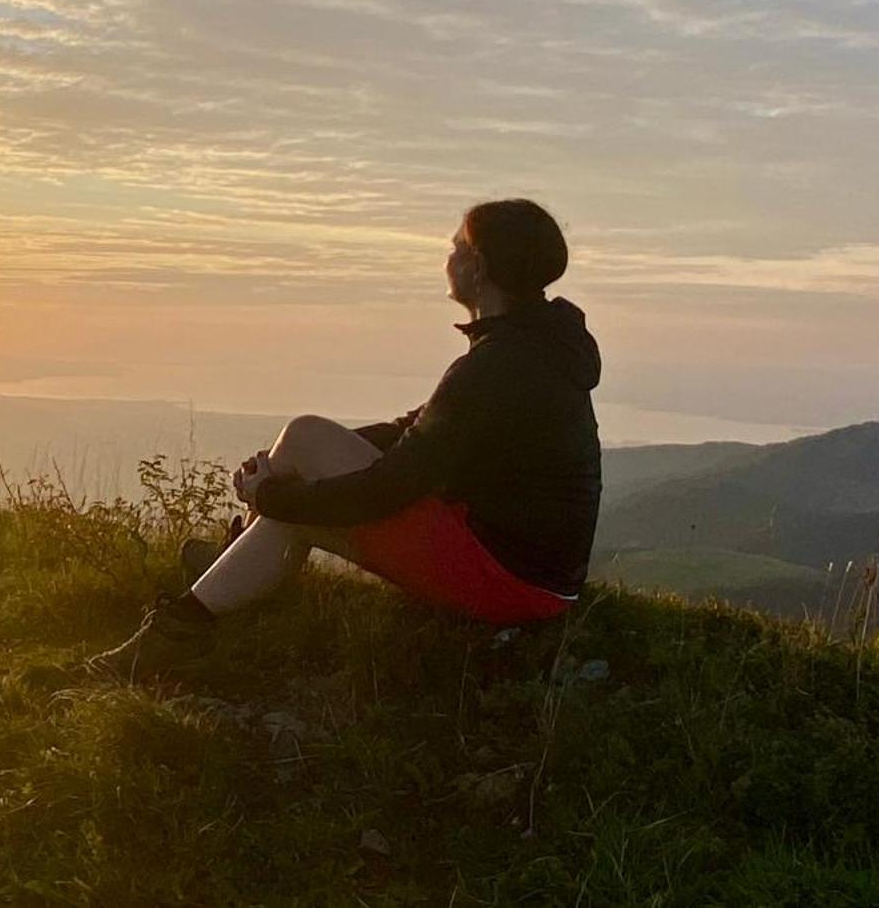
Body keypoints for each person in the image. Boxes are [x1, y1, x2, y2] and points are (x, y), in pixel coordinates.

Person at [88, 199, 602, 680]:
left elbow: (383, 492)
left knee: (304, 449)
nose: (448, 256)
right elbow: (419, 430)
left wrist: (272, 494)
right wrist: (295, 468)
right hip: (537, 576)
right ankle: (237, 568)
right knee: (305, 448)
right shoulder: (532, 348)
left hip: (508, 583)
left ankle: (181, 632)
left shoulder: (496, 366)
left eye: (456, 247)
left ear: (479, 268)